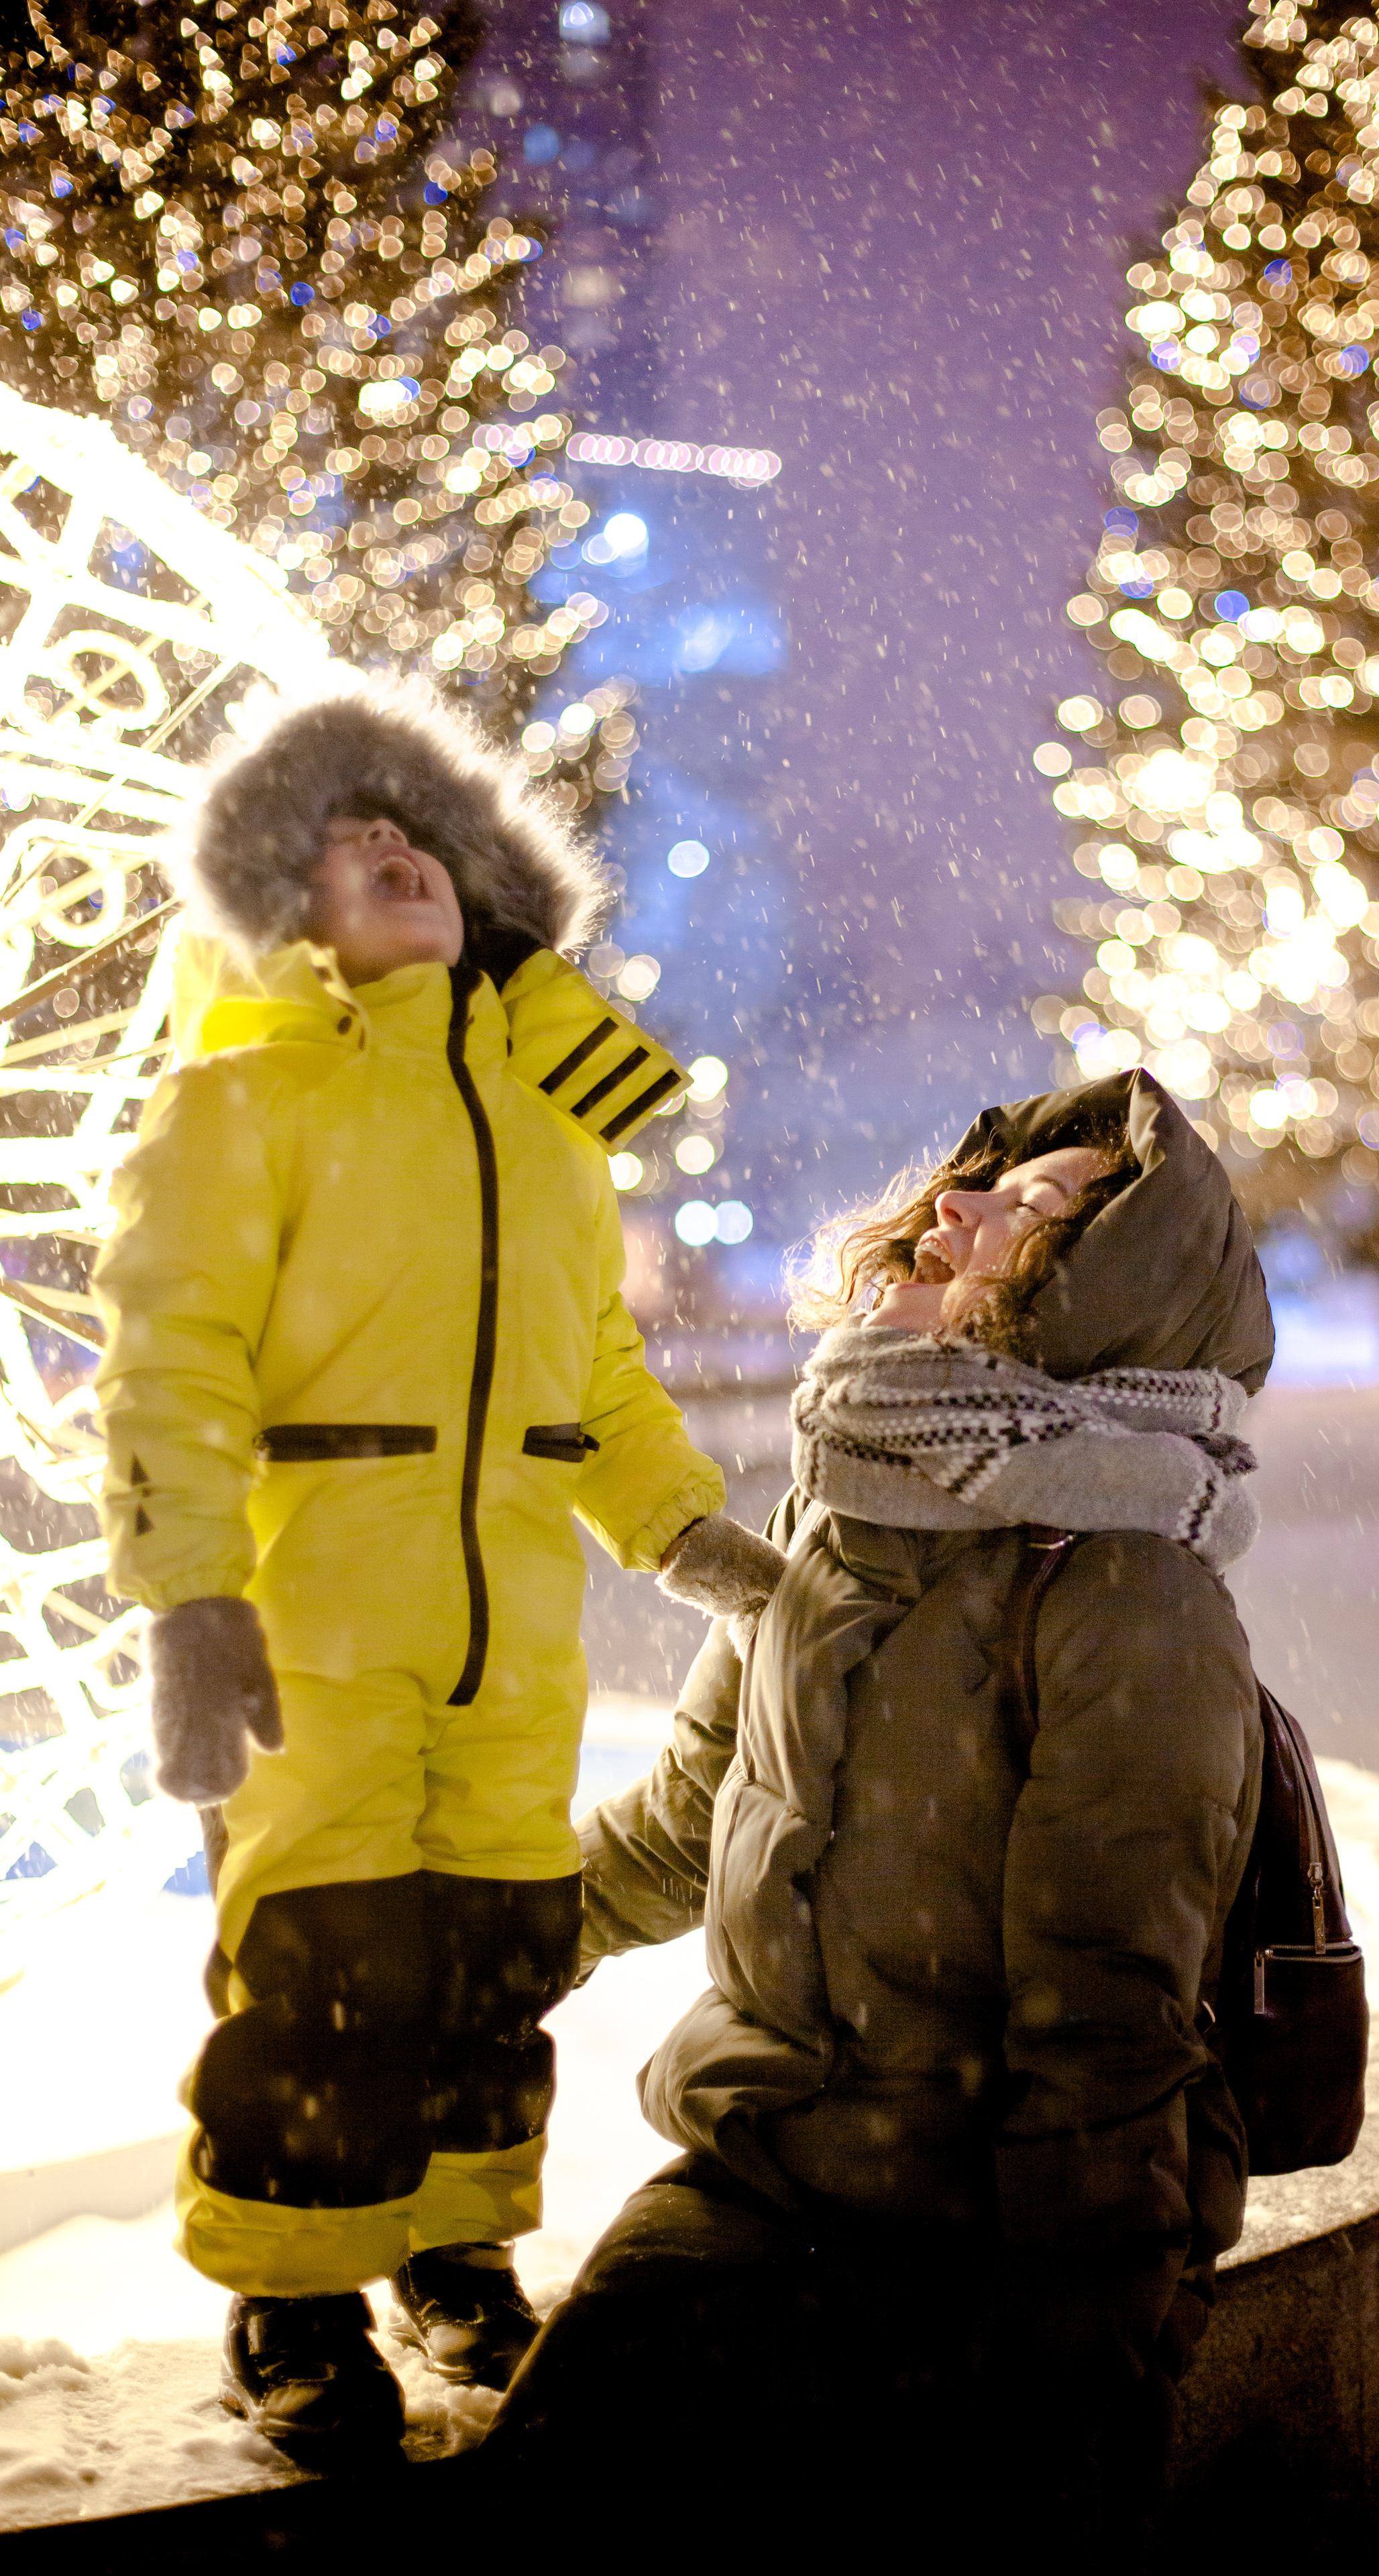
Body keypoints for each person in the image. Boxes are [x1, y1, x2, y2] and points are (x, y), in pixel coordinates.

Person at [91, 673, 771, 2467]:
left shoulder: (547, 1125)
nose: (389, 844)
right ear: (274, 910)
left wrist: (677, 1524)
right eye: (339, 835)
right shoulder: (238, 1104)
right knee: (325, 1965)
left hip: (512, 1627)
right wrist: (187, 1596)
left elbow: (592, 1371)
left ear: (483, 887)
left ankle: (449, 2244)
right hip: (317, 1608)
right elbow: (172, 1365)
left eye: (416, 828)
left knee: (493, 1950)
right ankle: (293, 2295)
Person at [482, 1064, 1275, 2544]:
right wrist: (483, 1942)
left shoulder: (1124, 1589)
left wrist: (1058, 2376)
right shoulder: (837, 1511)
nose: (952, 1207)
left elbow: (1105, 2033)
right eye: (975, 1183)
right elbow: (693, 1819)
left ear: (1106, 1296)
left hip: (982, 2236)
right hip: (763, 2172)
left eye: (1030, 1212)